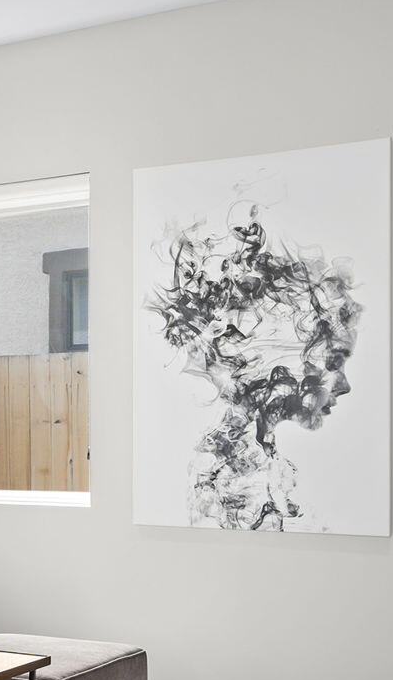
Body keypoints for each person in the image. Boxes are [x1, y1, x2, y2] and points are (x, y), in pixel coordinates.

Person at [148, 203, 359, 529]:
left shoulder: (258, 467)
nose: (343, 386)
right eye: (332, 362)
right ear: (262, 362)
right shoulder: (239, 481)